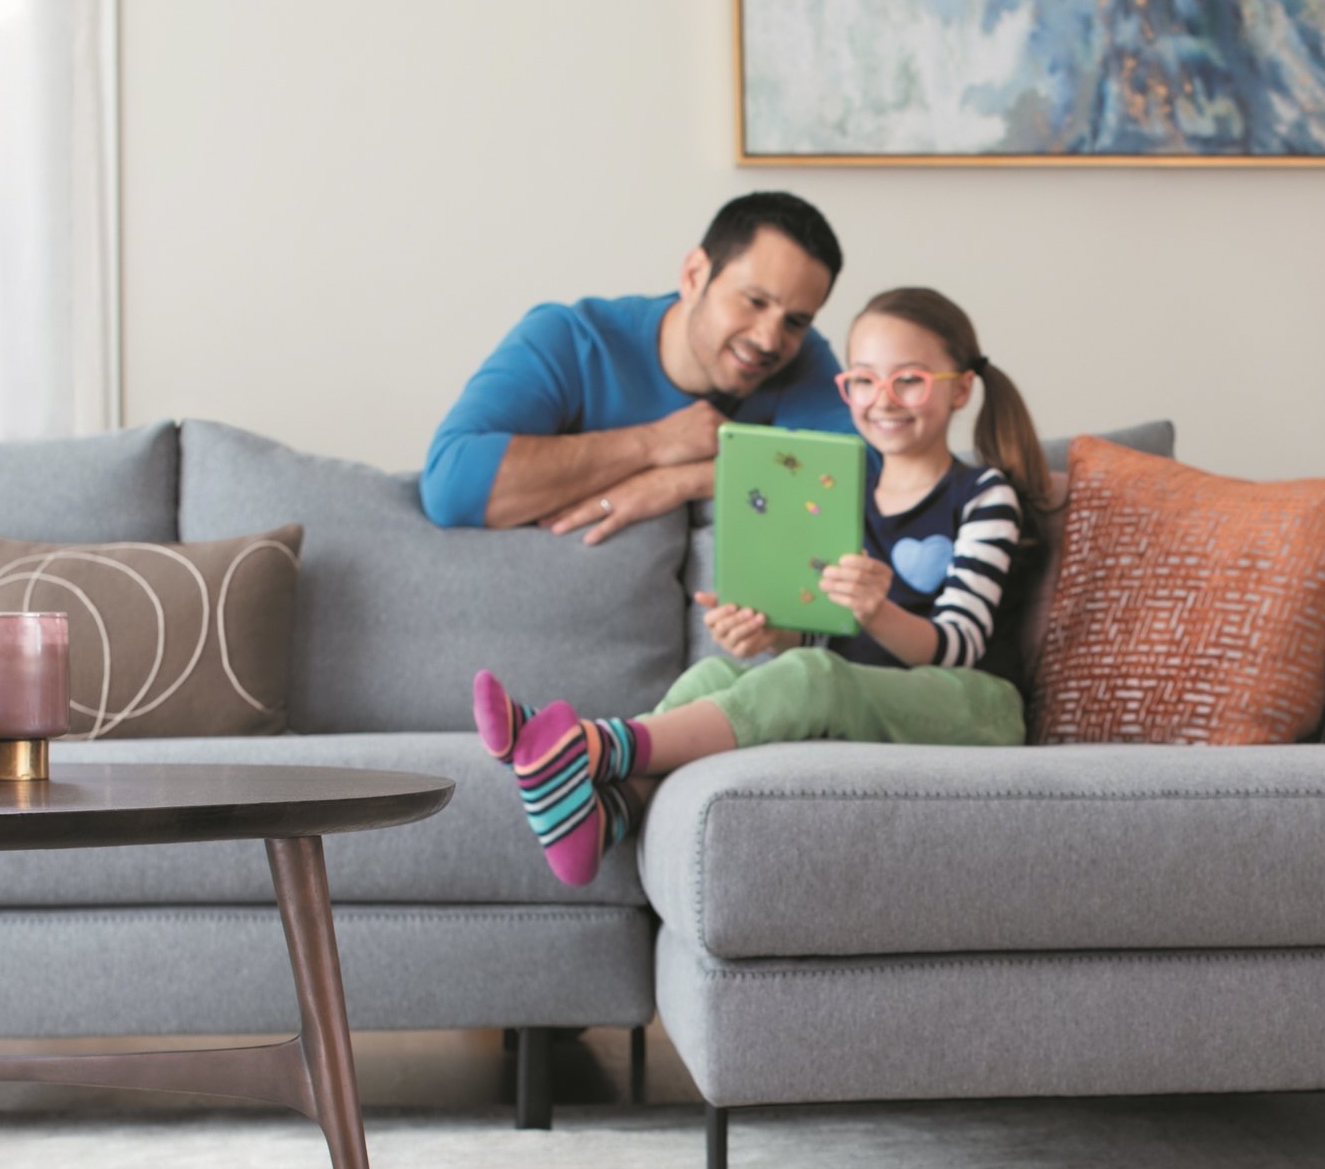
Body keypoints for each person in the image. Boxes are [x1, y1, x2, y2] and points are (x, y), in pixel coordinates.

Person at [471, 286, 1051, 885]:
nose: (884, 400)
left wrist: (874, 613)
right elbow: (824, 645)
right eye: (863, 381)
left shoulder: (984, 494)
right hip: (871, 701)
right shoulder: (839, 494)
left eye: (910, 380)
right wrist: (774, 633)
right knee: (712, 676)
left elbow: (959, 644)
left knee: (817, 680)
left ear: (960, 388)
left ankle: (590, 747)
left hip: (974, 707)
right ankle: (610, 812)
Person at [419, 192, 856, 543]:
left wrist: (684, 481)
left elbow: (863, 479)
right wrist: (655, 443)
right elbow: (451, 486)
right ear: (694, 275)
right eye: (754, 302)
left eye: (796, 321)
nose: (768, 339)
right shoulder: (568, 339)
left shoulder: (801, 358)